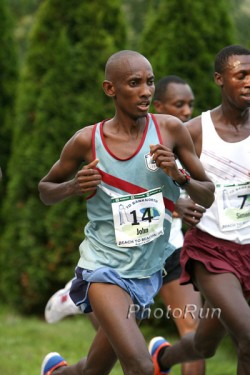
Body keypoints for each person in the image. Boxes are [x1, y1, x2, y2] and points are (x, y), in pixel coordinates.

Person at [38, 50, 214, 375]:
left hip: (150, 269)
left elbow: (207, 193)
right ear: (110, 89)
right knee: (140, 365)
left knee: (95, 369)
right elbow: (46, 190)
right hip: (103, 268)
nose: (146, 91)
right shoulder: (86, 140)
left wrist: (179, 175)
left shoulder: (171, 130)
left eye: (150, 82)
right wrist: (73, 187)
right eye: (134, 83)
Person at [149, 44, 250, 375]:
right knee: (248, 338)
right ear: (220, 79)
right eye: (242, 75)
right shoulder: (196, 131)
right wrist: (176, 201)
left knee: (205, 344)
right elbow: (145, 175)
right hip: (212, 250)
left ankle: (161, 359)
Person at [154, 76, 206, 375]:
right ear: (158, 106)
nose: (187, 111)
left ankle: (159, 359)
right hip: (127, 257)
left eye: (191, 105)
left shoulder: (191, 145)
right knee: (113, 348)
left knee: (195, 334)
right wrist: (171, 206)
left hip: (173, 249)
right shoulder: (136, 145)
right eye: (179, 105)